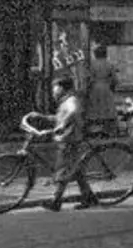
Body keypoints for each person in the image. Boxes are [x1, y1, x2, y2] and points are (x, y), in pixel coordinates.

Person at [34, 76, 97, 211]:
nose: (53, 91)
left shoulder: (71, 100)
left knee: (63, 169)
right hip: (68, 138)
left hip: (71, 139)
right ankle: (89, 197)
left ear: (63, 88)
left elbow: (73, 111)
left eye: (55, 87)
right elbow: (60, 117)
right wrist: (43, 117)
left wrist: (62, 124)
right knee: (76, 170)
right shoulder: (65, 101)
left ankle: (56, 201)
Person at [86, 45, 117, 130]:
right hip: (106, 87)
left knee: (95, 108)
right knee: (107, 108)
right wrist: (112, 87)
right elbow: (114, 79)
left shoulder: (93, 64)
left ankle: (96, 128)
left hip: (95, 87)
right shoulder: (109, 64)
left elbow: (90, 78)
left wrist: (88, 88)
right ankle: (106, 128)